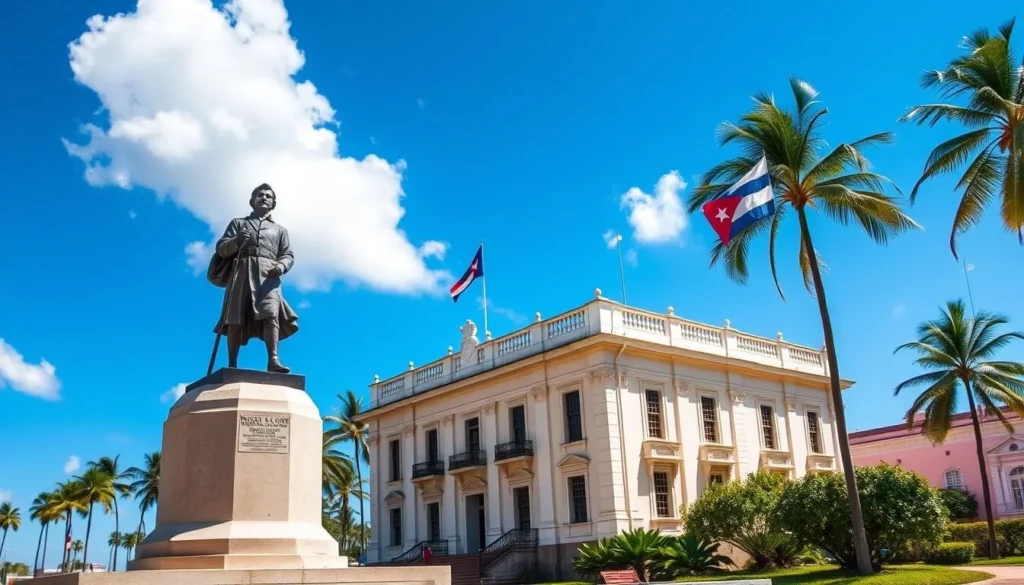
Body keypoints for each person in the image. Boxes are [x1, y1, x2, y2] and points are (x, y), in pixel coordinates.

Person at [208, 183, 299, 373]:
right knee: (235, 318)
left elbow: (287, 255)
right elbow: (222, 249)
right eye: (260, 195)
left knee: (271, 314)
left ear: (274, 203)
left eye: (268, 196)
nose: (264, 197)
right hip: (241, 272)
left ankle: (273, 360)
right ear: (252, 200)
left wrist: (281, 266)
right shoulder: (238, 223)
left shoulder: (280, 230)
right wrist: (236, 241)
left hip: (268, 275)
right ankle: (232, 363)